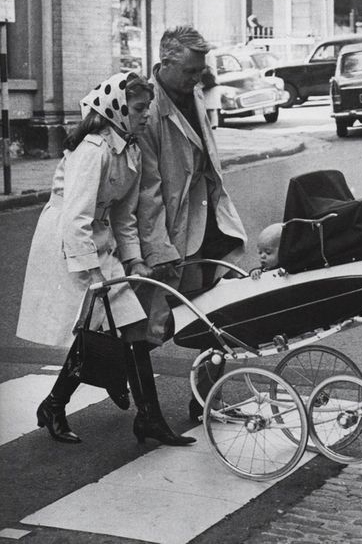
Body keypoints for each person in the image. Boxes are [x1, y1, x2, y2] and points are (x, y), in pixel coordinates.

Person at [16, 71, 195, 447]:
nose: (146, 115)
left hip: (101, 238)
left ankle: (143, 417)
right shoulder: (93, 150)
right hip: (69, 242)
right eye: (139, 108)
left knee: (126, 325)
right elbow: (75, 217)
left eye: (147, 108)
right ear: (116, 107)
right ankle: (65, 405)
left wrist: (133, 261)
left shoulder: (129, 149)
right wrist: (93, 274)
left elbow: (123, 217)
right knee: (97, 326)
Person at [137, 25, 247, 421]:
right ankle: (73, 385)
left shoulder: (194, 90)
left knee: (218, 315)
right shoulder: (147, 111)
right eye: (190, 72)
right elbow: (148, 192)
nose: (198, 78)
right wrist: (157, 247)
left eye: (201, 71)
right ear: (165, 63)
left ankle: (204, 401)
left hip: (210, 222)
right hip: (174, 230)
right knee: (152, 325)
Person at [201, 49, 220, 130]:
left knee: (207, 104)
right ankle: (214, 123)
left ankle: (211, 123)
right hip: (212, 80)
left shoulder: (206, 54)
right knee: (212, 106)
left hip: (207, 80)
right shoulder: (211, 54)